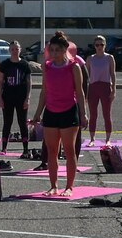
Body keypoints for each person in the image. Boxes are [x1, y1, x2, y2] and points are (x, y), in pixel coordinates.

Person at [37, 31, 91, 195]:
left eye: (57, 50)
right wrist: (37, 113)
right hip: (51, 112)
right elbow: (44, 91)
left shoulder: (74, 66)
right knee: (52, 151)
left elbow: (80, 93)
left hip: (69, 111)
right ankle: (54, 185)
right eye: (51, 50)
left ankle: (69, 186)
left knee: (69, 151)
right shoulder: (46, 67)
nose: (54, 53)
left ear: (65, 50)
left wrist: (84, 114)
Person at [0, 40, 33, 156]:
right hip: (8, 96)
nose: (14, 51)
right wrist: (0, 98)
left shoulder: (25, 65)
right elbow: (0, 82)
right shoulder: (5, 64)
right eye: (12, 49)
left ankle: (25, 149)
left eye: (16, 49)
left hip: (21, 96)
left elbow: (29, 82)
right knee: (7, 122)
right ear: (9, 50)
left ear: (20, 50)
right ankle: (4, 148)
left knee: (22, 122)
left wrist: (27, 98)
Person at [84, 36, 118, 144]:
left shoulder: (109, 58)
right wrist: (84, 91)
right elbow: (85, 76)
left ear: (105, 45)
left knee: (106, 114)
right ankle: (92, 138)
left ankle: (108, 139)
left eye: (101, 45)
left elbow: (113, 74)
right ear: (94, 46)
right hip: (93, 87)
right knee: (93, 114)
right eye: (97, 45)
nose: (99, 47)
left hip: (106, 87)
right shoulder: (90, 59)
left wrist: (113, 90)